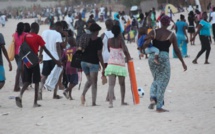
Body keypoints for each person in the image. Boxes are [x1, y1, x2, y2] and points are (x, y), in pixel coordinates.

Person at [140, 15, 187, 112]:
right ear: (169, 23)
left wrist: (143, 47)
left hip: (153, 57)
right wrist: (183, 62)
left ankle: (153, 98)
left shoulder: (154, 32)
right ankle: (159, 106)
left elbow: (146, 42)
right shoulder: (171, 35)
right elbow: (177, 50)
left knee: (156, 78)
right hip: (164, 58)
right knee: (163, 80)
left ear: (160, 22)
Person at [15, 22, 61, 108]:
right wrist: (55, 60)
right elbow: (45, 50)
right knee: (36, 82)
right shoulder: (38, 37)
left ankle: (20, 95)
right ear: (36, 29)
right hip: (34, 61)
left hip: (27, 61)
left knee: (27, 81)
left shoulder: (25, 36)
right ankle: (35, 103)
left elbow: (22, 49)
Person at [39, 22, 68, 100]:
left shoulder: (44, 32)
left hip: (46, 57)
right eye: (61, 28)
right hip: (55, 58)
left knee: (44, 76)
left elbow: (42, 44)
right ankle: (54, 94)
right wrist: (59, 59)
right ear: (58, 27)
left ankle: (39, 93)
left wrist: (40, 55)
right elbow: (58, 46)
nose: (62, 30)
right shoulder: (57, 34)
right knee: (56, 75)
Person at [104, 25, 131, 108]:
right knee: (122, 84)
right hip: (120, 64)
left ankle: (110, 103)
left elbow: (109, 50)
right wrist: (128, 58)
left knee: (111, 85)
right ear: (119, 32)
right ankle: (122, 101)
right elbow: (125, 50)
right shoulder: (120, 41)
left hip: (111, 64)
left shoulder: (109, 40)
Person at [80, 23, 105, 106]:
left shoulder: (85, 38)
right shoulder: (98, 40)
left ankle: (83, 94)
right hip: (93, 63)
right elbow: (99, 54)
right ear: (96, 31)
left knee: (89, 80)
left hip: (83, 62)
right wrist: (103, 65)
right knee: (94, 83)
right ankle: (93, 102)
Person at [100, 19, 114, 100]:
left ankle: (103, 75)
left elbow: (99, 47)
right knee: (112, 76)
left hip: (104, 56)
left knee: (107, 72)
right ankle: (108, 96)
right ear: (112, 24)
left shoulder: (103, 35)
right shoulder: (115, 34)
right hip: (112, 56)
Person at [13, 22, 26, 92]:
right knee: (19, 70)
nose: (24, 28)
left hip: (16, 54)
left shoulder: (14, 35)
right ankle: (16, 86)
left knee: (21, 69)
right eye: (23, 27)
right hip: (22, 54)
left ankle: (23, 84)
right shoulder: (24, 35)